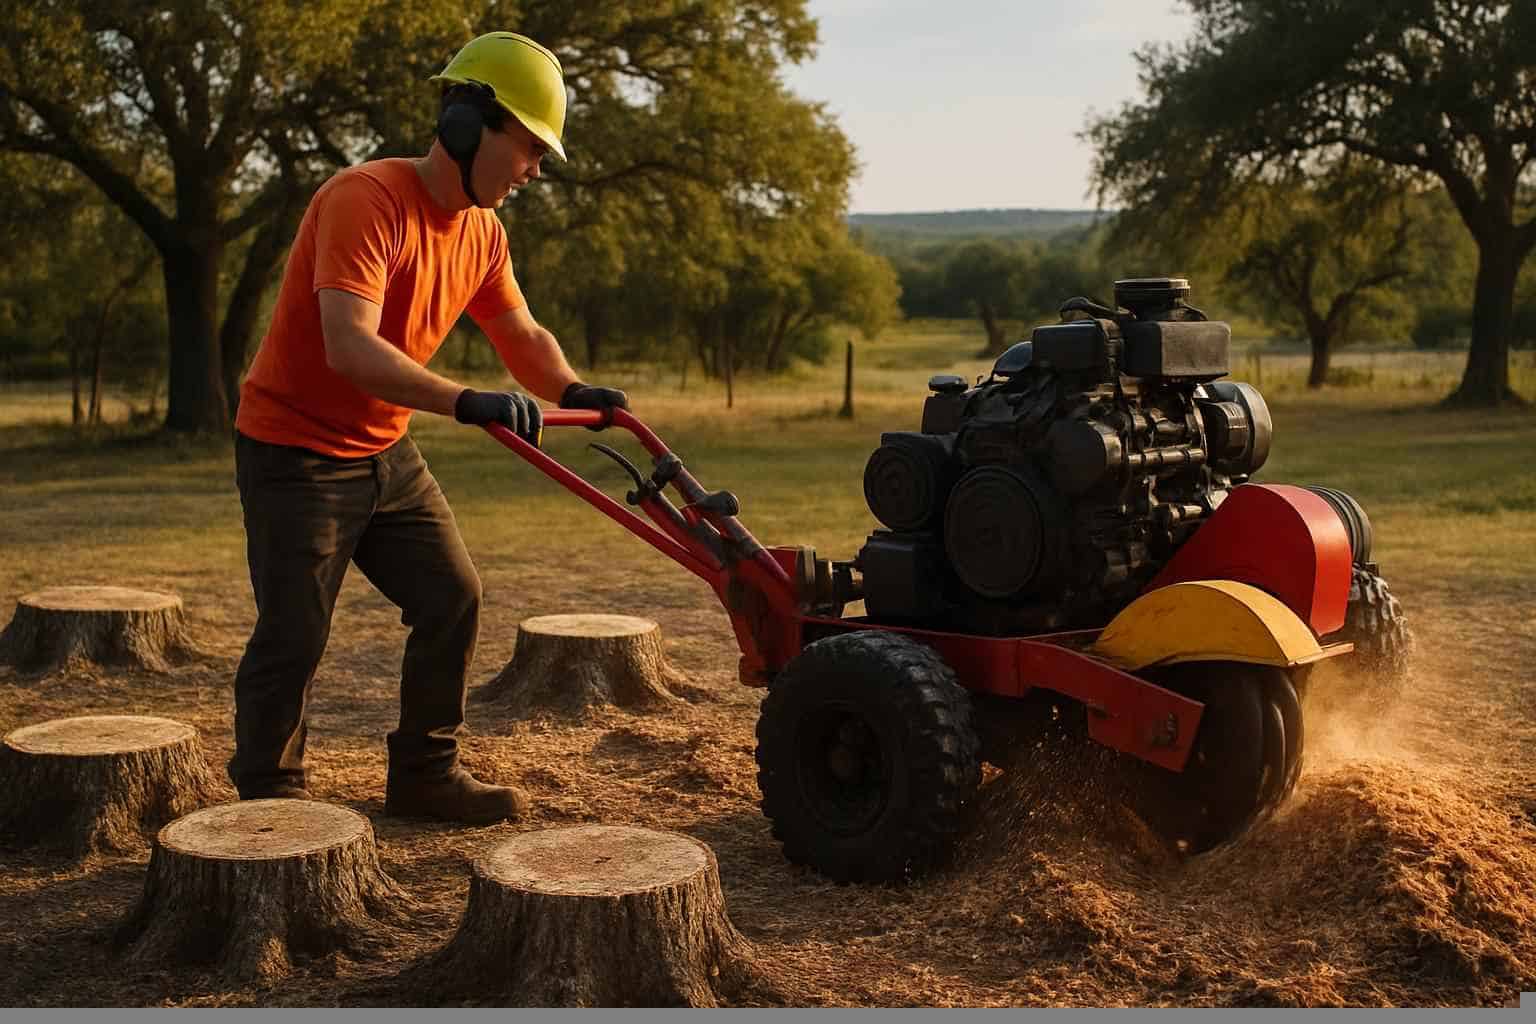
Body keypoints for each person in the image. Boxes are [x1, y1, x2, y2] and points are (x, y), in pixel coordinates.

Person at [228, 31, 627, 823]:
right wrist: (464, 400)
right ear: (467, 128)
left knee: (452, 596)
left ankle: (424, 776)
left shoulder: (482, 232)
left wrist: (574, 386)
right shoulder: (364, 199)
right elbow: (350, 346)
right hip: (294, 450)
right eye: (530, 149)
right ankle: (267, 806)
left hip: (383, 448)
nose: (534, 171)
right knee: (296, 632)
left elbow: (521, 335)